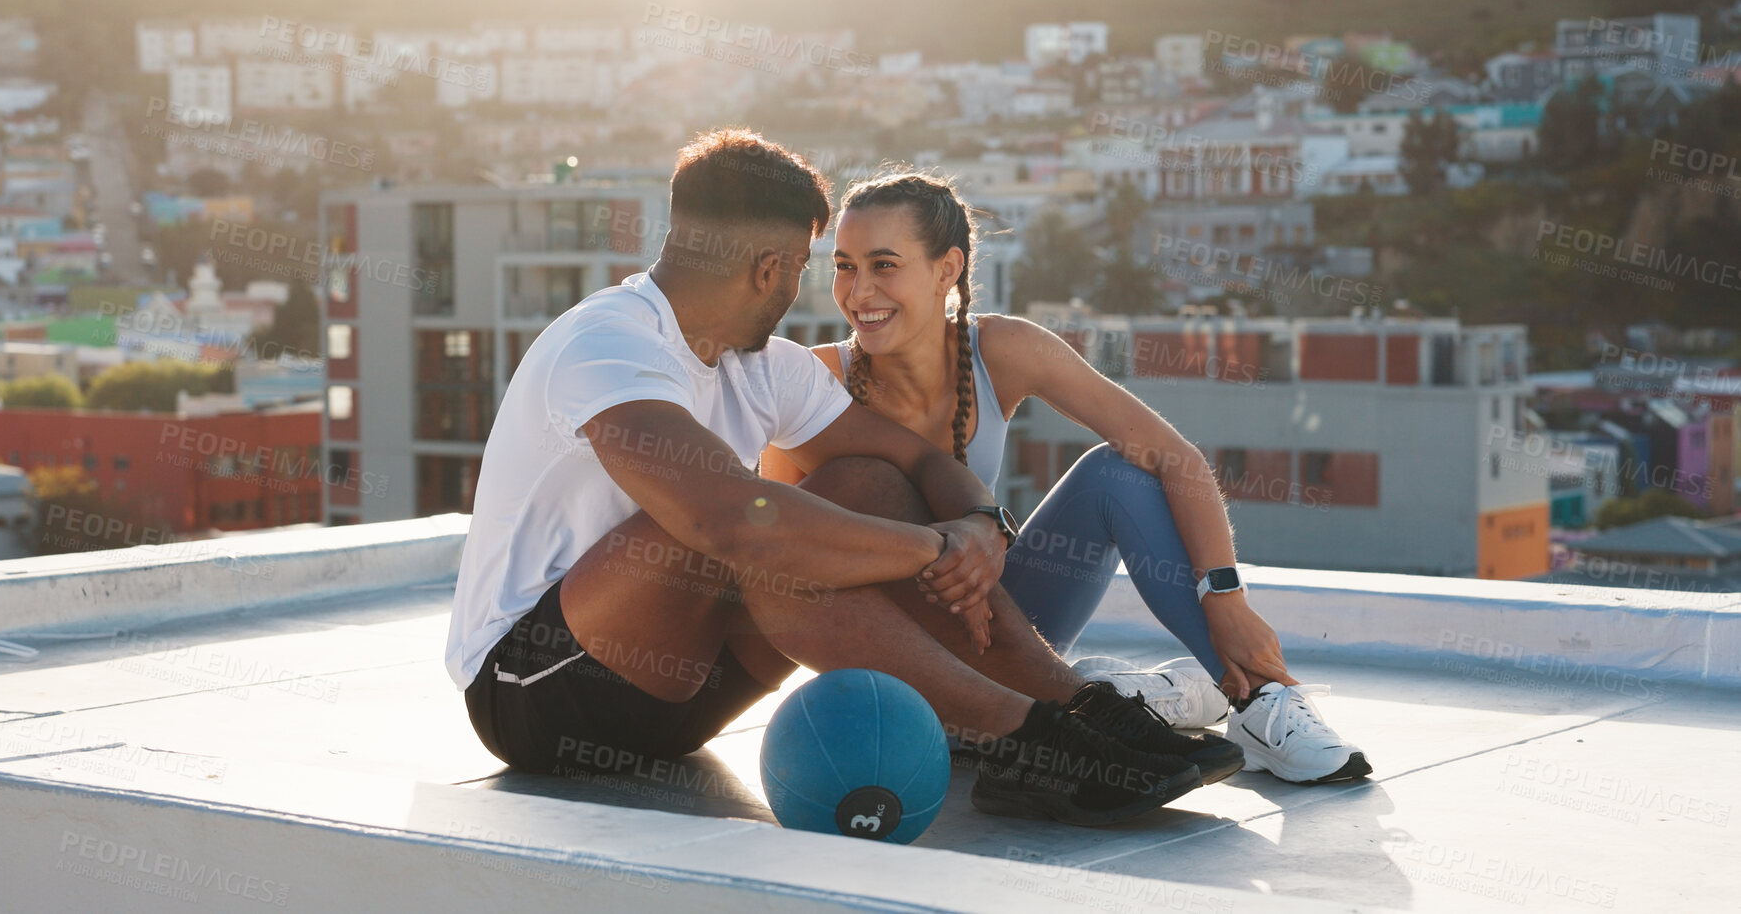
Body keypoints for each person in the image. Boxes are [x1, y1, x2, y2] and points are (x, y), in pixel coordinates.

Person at [445, 129, 1245, 828]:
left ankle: (1077, 708)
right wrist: (927, 550)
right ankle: (1023, 740)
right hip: (536, 693)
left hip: (681, 706)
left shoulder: (765, 368)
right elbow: (723, 520)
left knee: (861, 478)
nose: (812, 293)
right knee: (749, 526)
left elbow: (919, 460)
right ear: (770, 267)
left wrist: (975, 525)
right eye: (807, 267)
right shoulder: (608, 343)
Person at [760, 169, 1370, 785]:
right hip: (895, 654)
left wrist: (1227, 597)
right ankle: (1116, 694)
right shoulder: (814, 387)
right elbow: (788, 569)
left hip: (1005, 630)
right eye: (843, 265)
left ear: (947, 270)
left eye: (884, 265)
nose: (858, 290)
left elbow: (1174, 457)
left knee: (1116, 474)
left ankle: (1256, 701)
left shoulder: (1001, 349)